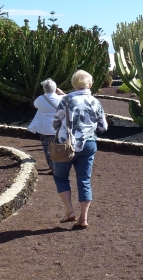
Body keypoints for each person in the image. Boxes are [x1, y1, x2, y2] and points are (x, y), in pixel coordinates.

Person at [52, 70, 107, 230]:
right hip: (89, 143)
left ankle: (70, 211)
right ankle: (83, 218)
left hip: (66, 146)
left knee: (61, 177)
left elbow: (56, 122)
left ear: (74, 84)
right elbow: (103, 127)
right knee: (84, 180)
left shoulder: (66, 100)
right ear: (89, 84)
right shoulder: (96, 102)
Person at [27, 78, 66, 174]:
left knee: (47, 149)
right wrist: (62, 93)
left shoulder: (40, 99)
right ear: (55, 88)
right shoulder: (61, 99)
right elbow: (70, 100)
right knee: (58, 147)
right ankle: (61, 166)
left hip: (44, 129)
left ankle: (53, 167)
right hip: (58, 128)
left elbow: (35, 105)